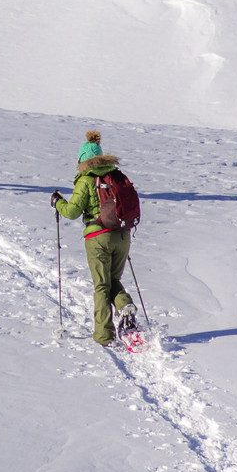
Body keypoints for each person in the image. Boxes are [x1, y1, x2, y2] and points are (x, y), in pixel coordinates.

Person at [52, 131, 138, 346]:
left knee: (101, 286)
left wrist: (57, 203)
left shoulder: (87, 179)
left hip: (98, 237)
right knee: (113, 281)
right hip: (122, 235)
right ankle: (125, 305)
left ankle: (104, 336)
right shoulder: (115, 175)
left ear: (83, 160)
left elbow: (72, 211)